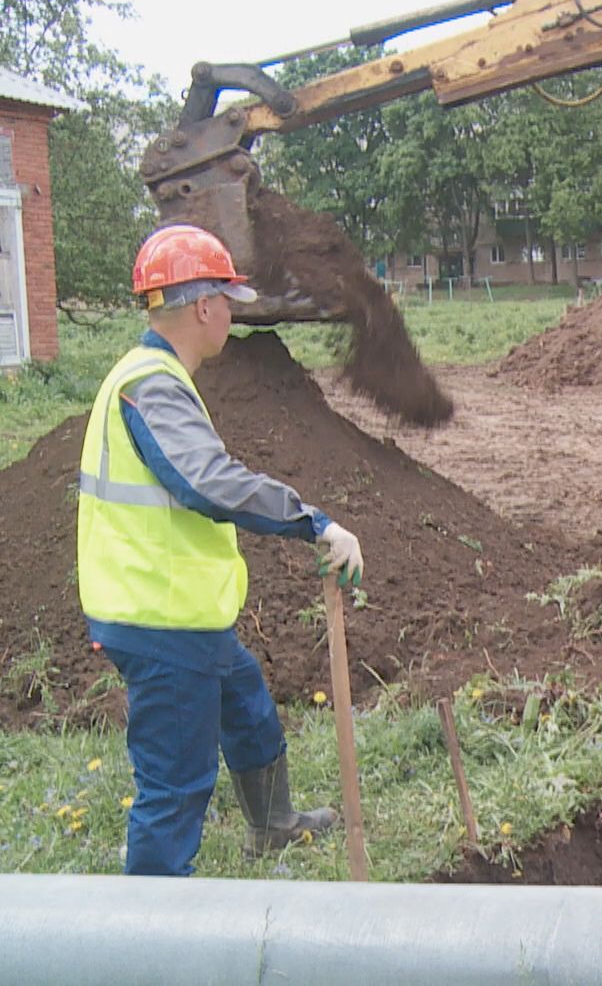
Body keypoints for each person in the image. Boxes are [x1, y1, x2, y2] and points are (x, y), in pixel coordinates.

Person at [78, 224, 364, 876]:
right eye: (228, 300)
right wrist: (311, 521)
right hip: (158, 618)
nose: (232, 313)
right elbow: (208, 482)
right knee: (176, 782)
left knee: (249, 709)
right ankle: (154, 925)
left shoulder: (149, 374)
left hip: (178, 610)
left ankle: (272, 825)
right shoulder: (151, 383)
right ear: (204, 306)